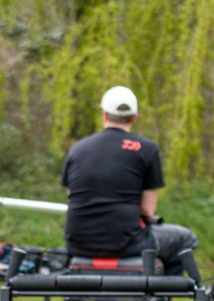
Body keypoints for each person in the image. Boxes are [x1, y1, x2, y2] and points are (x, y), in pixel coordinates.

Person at [61, 85, 198, 276]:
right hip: (127, 243)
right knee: (185, 239)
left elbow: (71, 193)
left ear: (104, 115)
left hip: (78, 243)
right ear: (134, 117)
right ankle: (161, 294)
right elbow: (148, 210)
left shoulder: (77, 148)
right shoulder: (147, 148)